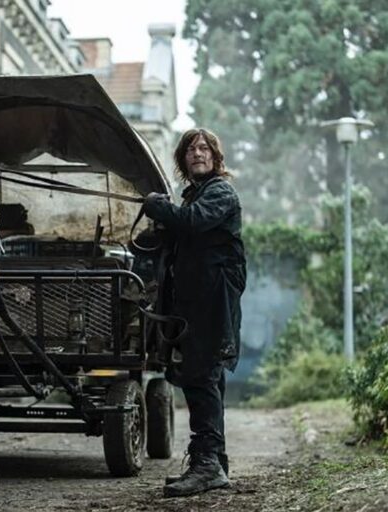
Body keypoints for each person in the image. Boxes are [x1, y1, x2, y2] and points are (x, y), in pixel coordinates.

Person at [142, 128, 246, 498]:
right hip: (196, 299)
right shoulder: (195, 195)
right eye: (190, 149)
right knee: (205, 378)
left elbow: (193, 222)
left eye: (204, 148)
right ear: (183, 159)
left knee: (202, 377)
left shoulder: (219, 192)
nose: (197, 153)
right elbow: (179, 234)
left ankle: (208, 465)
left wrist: (159, 207)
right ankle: (212, 460)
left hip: (212, 300)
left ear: (215, 157)